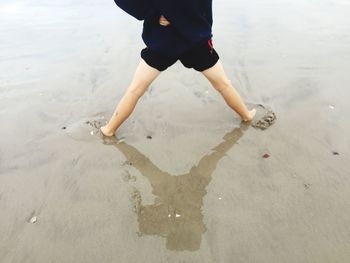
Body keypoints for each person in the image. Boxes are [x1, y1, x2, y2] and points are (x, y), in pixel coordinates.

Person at [100, 0, 256, 136]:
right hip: (195, 39)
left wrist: (152, 14)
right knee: (223, 84)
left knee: (135, 90)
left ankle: (109, 129)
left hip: (164, 40)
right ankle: (246, 115)